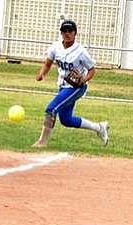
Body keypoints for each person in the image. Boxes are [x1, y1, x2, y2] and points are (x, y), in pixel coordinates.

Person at [32, 20, 109, 148]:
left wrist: (83, 80)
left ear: (75, 33)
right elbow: (48, 63)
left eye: (70, 31)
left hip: (77, 87)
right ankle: (99, 127)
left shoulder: (80, 51)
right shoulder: (55, 47)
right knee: (66, 120)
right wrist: (42, 74)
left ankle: (42, 142)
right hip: (63, 86)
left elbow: (92, 70)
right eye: (64, 31)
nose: (67, 34)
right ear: (61, 33)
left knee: (51, 109)